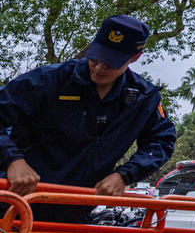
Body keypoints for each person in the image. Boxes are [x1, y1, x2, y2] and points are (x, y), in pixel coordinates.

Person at [0, 14, 176, 222]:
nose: (100, 67)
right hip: (14, 204)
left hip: (73, 213)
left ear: (135, 57)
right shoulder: (47, 81)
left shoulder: (143, 97)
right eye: (97, 57)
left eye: (111, 62)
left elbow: (161, 140)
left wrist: (125, 174)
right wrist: (13, 160)